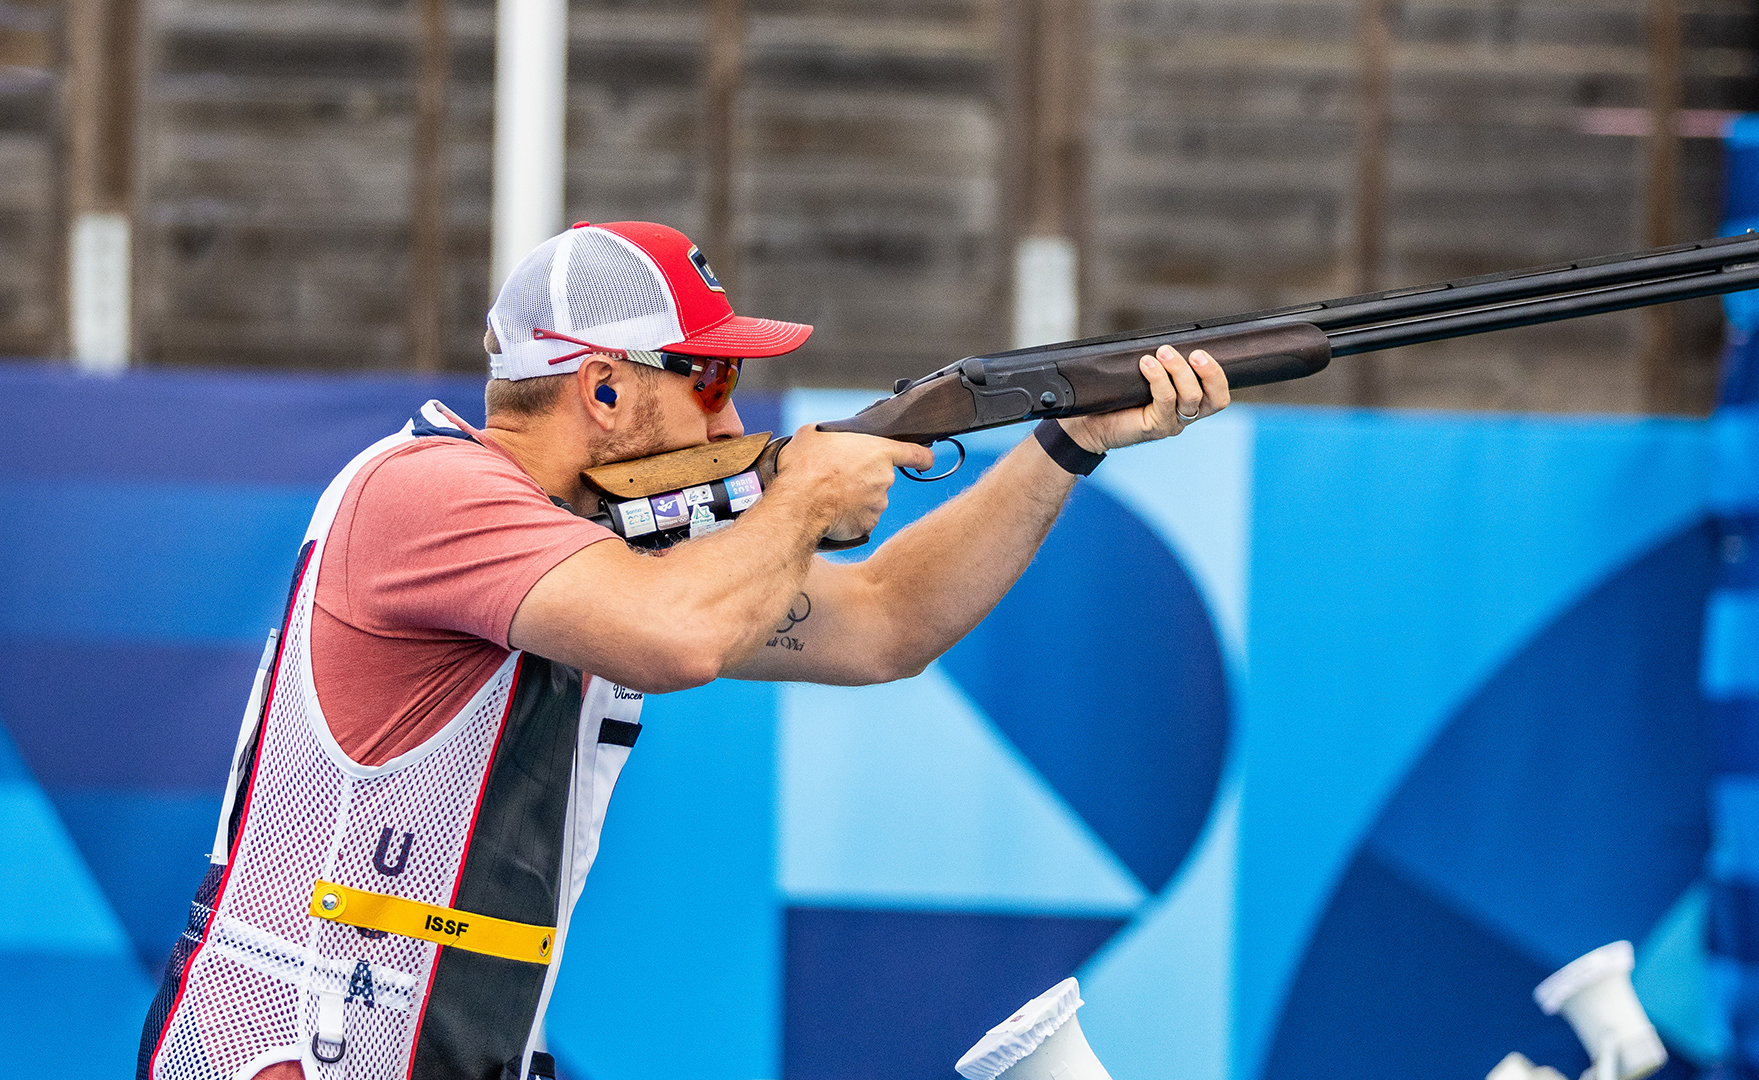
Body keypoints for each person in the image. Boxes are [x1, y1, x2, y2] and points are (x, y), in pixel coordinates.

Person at [137, 220, 1229, 1080]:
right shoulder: (426, 490)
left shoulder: (602, 557)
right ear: (604, 387)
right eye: (707, 379)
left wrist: (1065, 442)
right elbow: (680, 636)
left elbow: (892, 622)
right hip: (289, 1052)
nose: (732, 415)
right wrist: (796, 502)